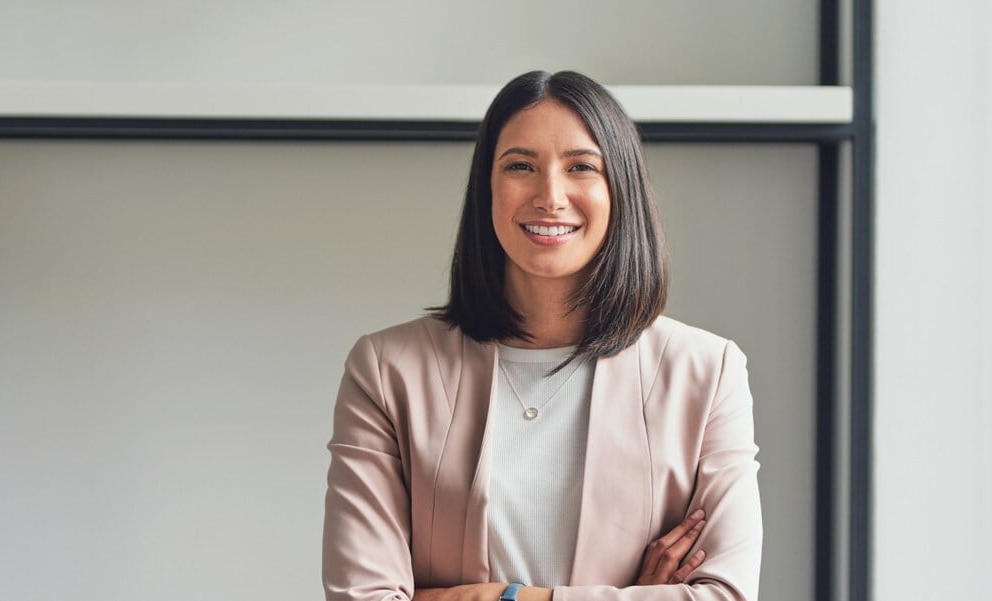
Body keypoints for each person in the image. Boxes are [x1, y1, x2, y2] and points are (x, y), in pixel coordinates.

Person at [322, 70, 762, 601]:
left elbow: (725, 596)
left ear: (619, 189)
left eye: (581, 167)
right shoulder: (387, 370)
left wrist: (502, 597)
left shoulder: (707, 372)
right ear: (488, 186)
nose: (550, 196)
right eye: (520, 166)